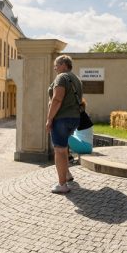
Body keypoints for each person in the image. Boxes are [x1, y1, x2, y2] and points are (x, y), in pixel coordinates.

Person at [46, 55, 83, 194]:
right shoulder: (76, 79)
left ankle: (62, 185)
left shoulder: (61, 78)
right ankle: (67, 174)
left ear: (63, 64)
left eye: (56, 65)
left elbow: (57, 99)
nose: (55, 68)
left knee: (59, 150)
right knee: (64, 146)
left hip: (62, 119)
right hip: (74, 118)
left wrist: (49, 119)